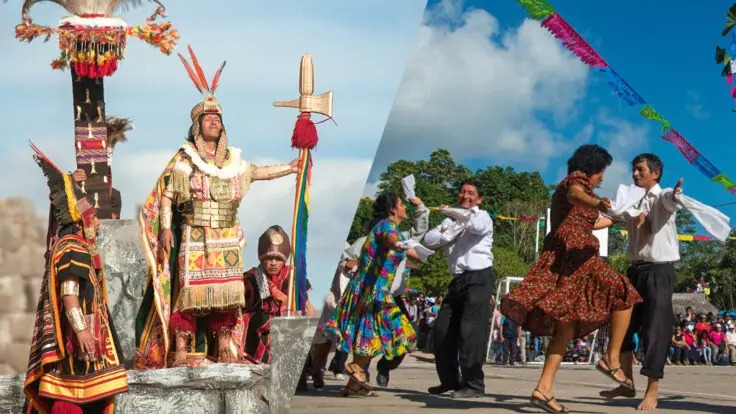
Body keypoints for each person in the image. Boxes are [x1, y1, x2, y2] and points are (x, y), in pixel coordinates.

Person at [134, 48, 301, 369]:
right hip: (196, 234)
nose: (214, 122)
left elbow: (258, 172)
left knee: (226, 294)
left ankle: (224, 346)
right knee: (190, 294)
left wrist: (291, 168)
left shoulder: (233, 161)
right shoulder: (185, 158)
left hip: (226, 234)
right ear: (197, 126)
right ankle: (181, 349)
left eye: (218, 119)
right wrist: (166, 227)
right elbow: (167, 194)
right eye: (208, 119)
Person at [501, 145, 642, 413]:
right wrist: (596, 202)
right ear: (593, 167)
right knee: (625, 293)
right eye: (602, 172)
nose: (602, 178)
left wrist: (621, 218)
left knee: (565, 325)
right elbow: (576, 195)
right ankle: (611, 360)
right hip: (574, 254)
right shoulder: (576, 181)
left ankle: (543, 389)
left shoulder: (584, 195)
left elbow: (593, 221)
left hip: (568, 255)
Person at [596, 153, 728, 410]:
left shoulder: (663, 197)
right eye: (633, 170)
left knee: (655, 331)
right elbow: (611, 217)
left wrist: (676, 193)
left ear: (655, 173)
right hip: (634, 272)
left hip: (658, 273)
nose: (635, 174)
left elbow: (671, 200)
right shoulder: (631, 201)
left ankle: (652, 391)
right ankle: (626, 383)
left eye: (640, 170)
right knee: (622, 327)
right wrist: (580, 220)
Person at [23, 144, 128, 413]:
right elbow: (69, 292)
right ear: (81, 221)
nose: (98, 224)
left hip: (81, 350)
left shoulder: (72, 246)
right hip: (77, 350)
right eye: (93, 217)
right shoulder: (73, 246)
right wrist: (81, 330)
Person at [321, 193, 423, 397]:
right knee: (402, 334)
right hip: (371, 293)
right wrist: (396, 244)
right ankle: (354, 368)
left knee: (367, 338)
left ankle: (354, 385)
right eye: (402, 204)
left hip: (374, 292)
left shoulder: (396, 232)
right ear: (393, 210)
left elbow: (416, 253)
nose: (405, 208)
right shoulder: (387, 226)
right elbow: (392, 240)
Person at [423, 178, 496, 399]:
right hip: (458, 279)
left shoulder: (482, 216)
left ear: (479, 198)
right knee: (442, 329)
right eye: (463, 192)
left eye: (471, 193)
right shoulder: (451, 219)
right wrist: (450, 227)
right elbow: (430, 239)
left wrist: (456, 216)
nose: (465, 196)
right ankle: (450, 380)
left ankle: (473, 384)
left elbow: (476, 226)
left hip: (479, 277)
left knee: (470, 331)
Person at [235, 225, 316, 364]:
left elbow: (308, 309)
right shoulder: (251, 277)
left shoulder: (294, 278)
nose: (273, 263)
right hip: (257, 327)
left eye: (277, 259)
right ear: (261, 259)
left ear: (284, 260)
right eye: (269, 258)